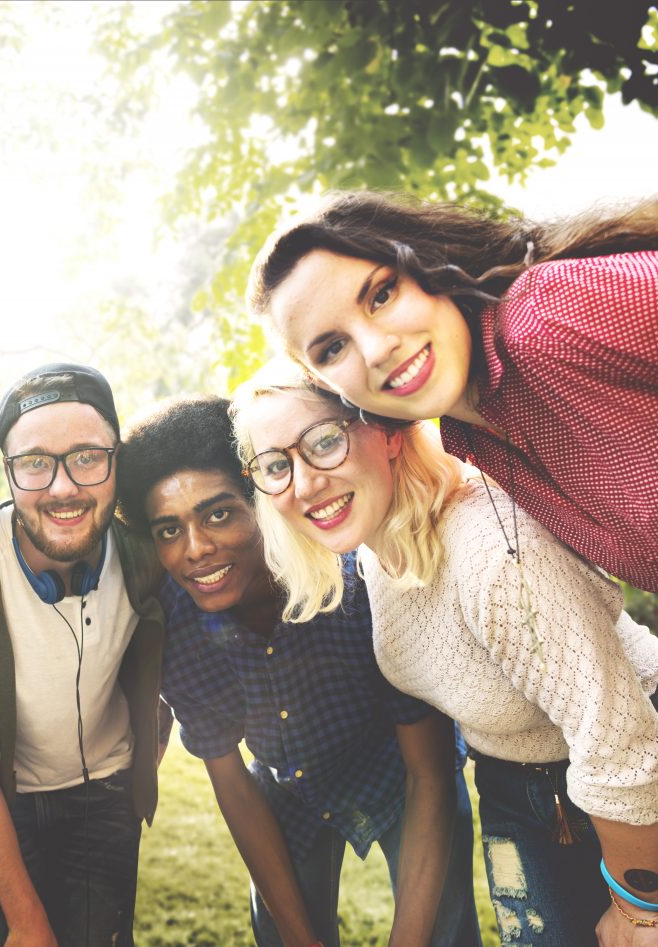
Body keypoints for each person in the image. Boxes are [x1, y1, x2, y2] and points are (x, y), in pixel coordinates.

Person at [231, 359, 658, 947]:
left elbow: (622, 743)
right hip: (517, 785)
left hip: (656, 759)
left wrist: (639, 911)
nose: (305, 482)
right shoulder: (373, 550)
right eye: (275, 465)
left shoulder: (490, 549)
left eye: (324, 442)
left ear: (388, 430)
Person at [116, 395, 480, 947]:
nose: (196, 550)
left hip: (403, 778)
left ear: (260, 502)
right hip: (289, 789)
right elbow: (232, 783)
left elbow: (427, 773)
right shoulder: (177, 623)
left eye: (218, 514)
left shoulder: (359, 583)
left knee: (441, 936)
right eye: (168, 530)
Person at [246, 191, 658, 602]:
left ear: (426, 267)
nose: (376, 351)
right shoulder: (472, 439)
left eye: (382, 295)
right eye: (333, 348)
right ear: (328, 383)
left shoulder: (546, 315)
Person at [0, 363, 167, 947]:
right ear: (8, 472)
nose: (62, 487)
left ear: (116, 461)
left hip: (104, 794)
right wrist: (27, 925)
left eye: (87, 457)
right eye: (34, 464)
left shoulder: (148, 552)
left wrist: (155, 730)